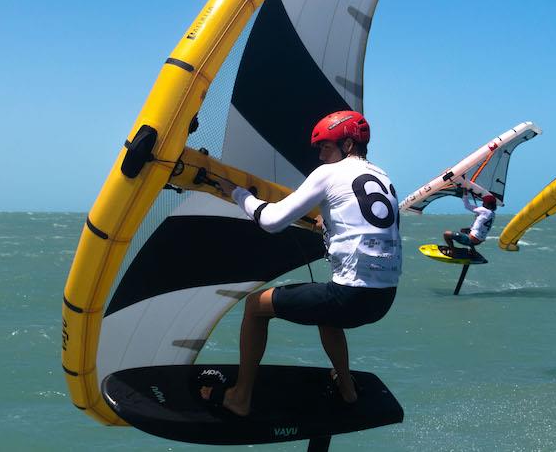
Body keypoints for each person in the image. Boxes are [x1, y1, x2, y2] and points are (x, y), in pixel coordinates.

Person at [206, 110, 402, 416]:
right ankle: (347, 390)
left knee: (255, 307)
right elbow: (363, 220)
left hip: (350, 297)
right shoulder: (384, 178)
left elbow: (271, 221)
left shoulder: (328, 174)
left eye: (325, 147)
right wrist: (326, 220)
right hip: (384, 298)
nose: (321, 156)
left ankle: (239, 398)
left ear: (347, 145)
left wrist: (236, 193)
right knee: (327, 314)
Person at [442, 190, 497, 258]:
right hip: (479, 241)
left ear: (488, 204)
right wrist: (469, 229)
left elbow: (467, 206)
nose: (483, 203)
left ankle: (453, 252)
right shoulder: (493, 214)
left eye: (484, 202)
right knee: (465, 231)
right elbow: (481, 226)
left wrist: (465, 194)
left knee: (446, 234)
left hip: (471, 240)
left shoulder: (484, 210)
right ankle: (473, 251)